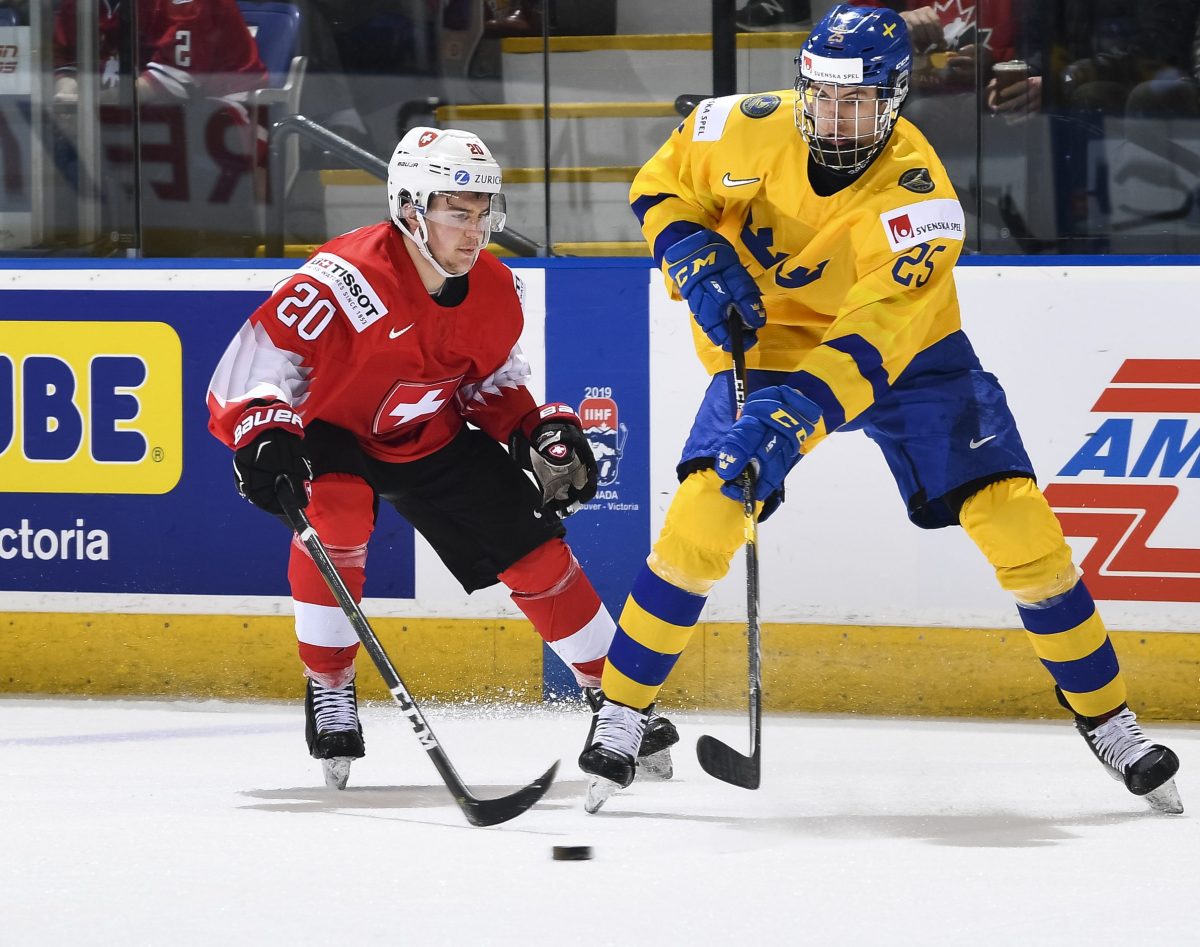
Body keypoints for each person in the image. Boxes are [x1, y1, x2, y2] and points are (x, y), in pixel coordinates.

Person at [580, 4, 1184, 815]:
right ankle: (623, 712)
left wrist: (790, 420)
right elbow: (659, 185)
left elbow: (867, 348)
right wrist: (689, 250)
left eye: (858, 102)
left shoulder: (921, 201)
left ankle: (1109, 719)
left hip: (910, 355)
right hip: (772, 342)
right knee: (705, 513)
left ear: (895, 98)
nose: (835, 118)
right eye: (824, 98)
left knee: (1019, 524)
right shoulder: (737, 125)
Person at [206, 127, 678, 789]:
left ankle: (619, 700)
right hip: (334, 430)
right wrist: (261, 426)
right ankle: (330, 683)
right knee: (337, 511)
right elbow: (262, 358)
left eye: (484, 213)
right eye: (458, 212)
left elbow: (489, 384)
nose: (475, 230)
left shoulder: (496, 289)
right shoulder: (344, 279)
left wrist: (532, 429)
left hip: (428, 433)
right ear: (408, 208)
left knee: (534, 546)